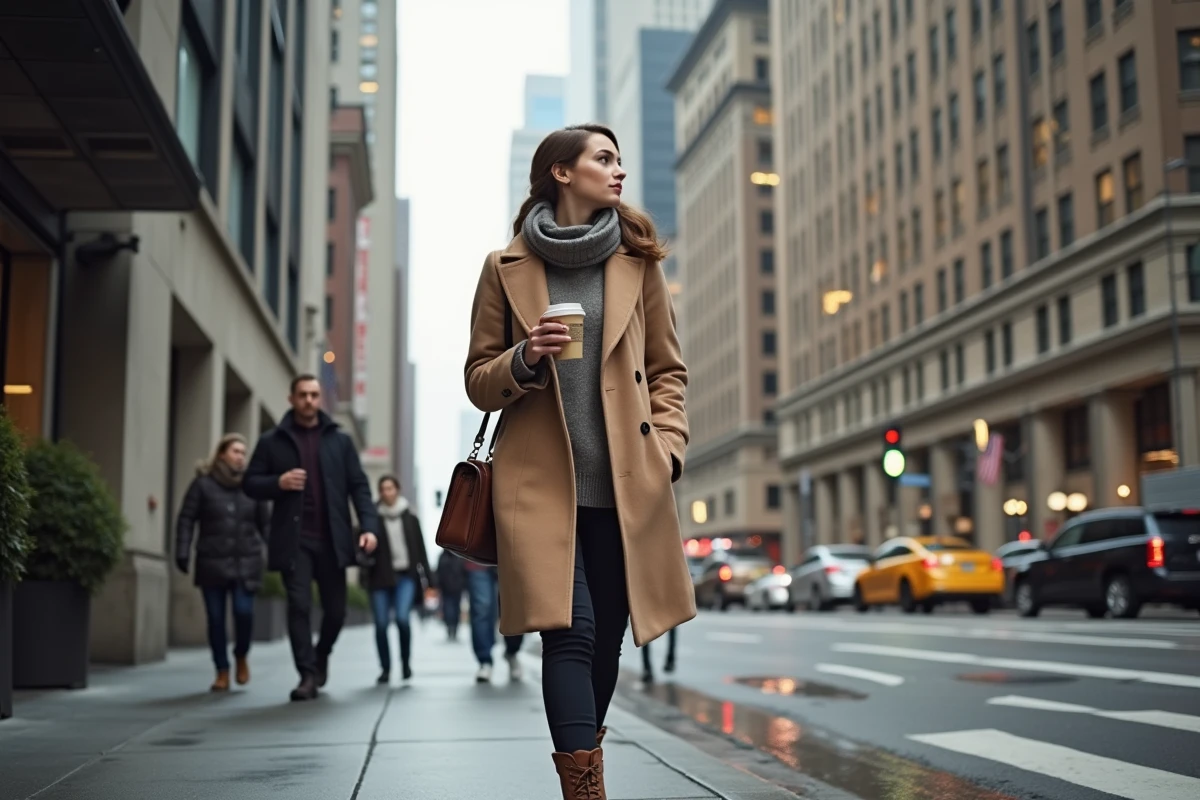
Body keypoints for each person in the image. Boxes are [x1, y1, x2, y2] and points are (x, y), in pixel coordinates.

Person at [464, 123, 695, 798]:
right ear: (561, 172)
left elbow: (668, 371)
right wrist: (524, 356)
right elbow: (479, 378)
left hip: (627, 487)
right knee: (570, 631)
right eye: (603, 159)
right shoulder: (503, 268)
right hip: (538, 486)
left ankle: (584, 756)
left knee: (608, 637)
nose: (618, 170)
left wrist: (670, 453)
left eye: (620, 159)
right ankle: (585, 789)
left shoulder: (637, 262)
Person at [244, 375, 379, 702]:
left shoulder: (340, 441)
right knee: (299, 606)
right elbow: (249, 483)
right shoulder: (272, 441)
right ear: (291, 398)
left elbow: (359, 487)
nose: (308, 400)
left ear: (321, 399)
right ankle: (306, 674)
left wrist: (369, 527)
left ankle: (321, 656)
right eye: (302, 394)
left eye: (314, 394)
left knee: (336, 612)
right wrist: (279, 482)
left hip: (333, 539)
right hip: (295, 540)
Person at [175, 433, 268, 692]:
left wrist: (277, 556)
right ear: (221, 454)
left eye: (243, 452)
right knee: (215, 619)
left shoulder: (253, 486)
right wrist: (182, 551)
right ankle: (222, 670)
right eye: (236, 451)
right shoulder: (202, 485)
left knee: (244, 612)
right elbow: (186, 519)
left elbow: (266, 524)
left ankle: (241, 654)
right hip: (212, 561)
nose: (241, 457)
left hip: (246, 561)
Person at [362, 475, 430, 684]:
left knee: (402, 619)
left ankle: (406, 663)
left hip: (405, 577)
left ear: (397, 490)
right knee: (381, 624)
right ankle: (385, 668)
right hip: (380, 578)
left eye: (390, 488)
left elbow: (421, 550)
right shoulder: (372, 518)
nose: (386, 493)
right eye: (383, 489)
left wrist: (430, 580)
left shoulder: (410, 518)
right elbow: (363, 548)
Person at [465, 562, 525, 682]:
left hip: (512, 555)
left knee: (514, 605)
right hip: (478, 558)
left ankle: (512, 651)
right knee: (482, 608)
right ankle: (484, 660)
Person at [436, 550, 467, 642]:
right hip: (448, 589)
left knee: (454, 610)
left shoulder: (457, 557)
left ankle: (453, 629)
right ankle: (451, 629)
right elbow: (439, 573)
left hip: (456, 589)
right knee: (449, 609)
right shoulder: (445, 557)